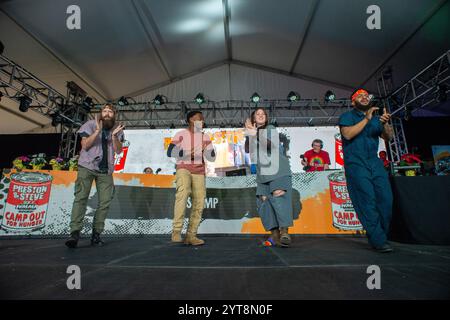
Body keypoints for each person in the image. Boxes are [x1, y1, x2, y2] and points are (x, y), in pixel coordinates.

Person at [339, 89, 394, 253]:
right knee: (367, 201)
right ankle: (379, 240)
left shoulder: (378, 118)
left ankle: (379, 235)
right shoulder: (347, 116)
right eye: (359, 96)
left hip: (374, 163)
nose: (364, 97)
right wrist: (367, 118)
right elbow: (347, 135)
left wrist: (384, 124)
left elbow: (388, 137)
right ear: (353, 102)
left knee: (386, 199)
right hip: (356, 164)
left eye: (366, 96)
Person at [65, 103, 125, 248]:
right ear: (100, 113)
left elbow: (118, 151)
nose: (107, 113)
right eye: (104, 111)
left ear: (114, 114)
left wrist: (114, 136)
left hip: (106, 170)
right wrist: (97, 131)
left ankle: (96, 234)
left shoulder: (117, 129)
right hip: (87, 167)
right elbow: (85, 146)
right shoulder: (90, 125)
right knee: (81, 198)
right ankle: (74, 233)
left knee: (104, 202)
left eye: (110, 111)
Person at [244, 107, 294, 247]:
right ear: (253, 118)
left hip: (278, 169)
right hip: (263, 172)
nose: (260, 115)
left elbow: (270, 145)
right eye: (257, 114)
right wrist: (250, 134)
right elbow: (248, 150)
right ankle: (275, 234)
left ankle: (284, 232)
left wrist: (256, 133)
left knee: (279, 196)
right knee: (263, 201)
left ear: (266, 117)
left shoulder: (270, 128)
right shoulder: (253, 132)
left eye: (263, 114)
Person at [167, 111, 216, 245]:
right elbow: (170, 151)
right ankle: (176, 231)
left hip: (199, 171)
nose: (200, 121)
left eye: (202, 119)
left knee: (199, 202)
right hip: (183, 168)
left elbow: (212, 157)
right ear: (189, 120)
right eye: (197, 119)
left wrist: (208, 150)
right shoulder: (181, 134)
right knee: (182, 195)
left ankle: (191, 235)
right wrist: (189, 154)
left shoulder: (205, 136)